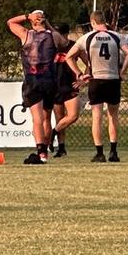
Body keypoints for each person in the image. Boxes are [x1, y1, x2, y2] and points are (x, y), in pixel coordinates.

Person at [65, 11, 128, 162]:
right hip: (113, 79)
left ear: (92, 22)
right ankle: (113, 152)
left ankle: (99, 153)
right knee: (113, 115)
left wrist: (79, 74)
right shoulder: (117, 36)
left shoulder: (87, 38)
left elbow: (68, 57)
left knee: (97, 116)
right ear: (105, 21)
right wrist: (122, 71)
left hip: (96, 79)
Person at [7, 10, 71, 164]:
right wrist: (48, 25)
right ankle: (46, 152)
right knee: (46, 118)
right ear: (44, 20)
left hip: (32, 80)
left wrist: (27, 16)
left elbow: (10, 22)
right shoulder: (53, 36)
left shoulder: (26, 34)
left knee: (37, 118)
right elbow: (64, 43)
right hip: (49, 80)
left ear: (32, 21)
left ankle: (41, 151)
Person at [50, 23, 83, 158]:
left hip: (70, 85)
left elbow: (88, 63)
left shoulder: (73, 46)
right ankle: (61, 148)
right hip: (55, 85)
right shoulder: (51, 48)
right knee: (59, 117)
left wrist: (82, 79)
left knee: (72, 116)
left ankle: (53, 132)